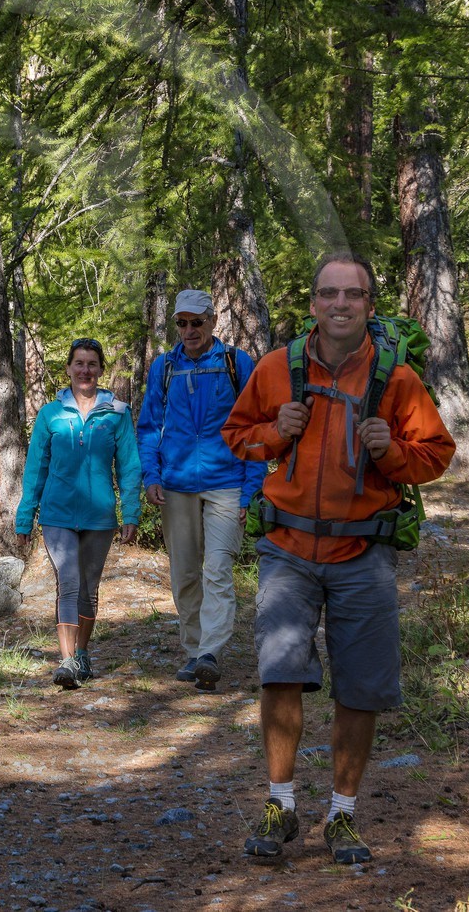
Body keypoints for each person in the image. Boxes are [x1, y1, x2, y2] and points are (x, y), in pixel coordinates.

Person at [222, 251, 454, 865]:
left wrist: (393, 451)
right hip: (287, 549)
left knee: (362, 688)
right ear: (313, 304)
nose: (341, 305)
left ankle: (343, 816)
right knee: (279, 673)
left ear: (369, 306)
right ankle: (280, 804)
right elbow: (236, 436)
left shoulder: (396, 379)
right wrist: (277, 432)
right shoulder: (277, 369)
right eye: (329, 294)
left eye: (353, 295)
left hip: (363, 552)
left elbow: (437, 454)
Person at [136, 289, 267, 692]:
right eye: (182, 323)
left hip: (226, 482)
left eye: (197, 322)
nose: (189, 330)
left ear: (212, 321)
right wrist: (151, 475)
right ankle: (193, 652)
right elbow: (148, 426)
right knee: (185, 574)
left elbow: (256, 428)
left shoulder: (235, 363)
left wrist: (250, 490)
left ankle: (211, 651)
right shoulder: (164, 367)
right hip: (176, 485)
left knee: (218, 569)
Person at [14, 337, 142, 690]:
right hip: (57, 514)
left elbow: (129, 466)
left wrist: (130, 511)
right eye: (79, 364)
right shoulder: (50, 414)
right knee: (68, 582)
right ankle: (67, 660)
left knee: (89, 589)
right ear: (68, 369)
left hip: (100, 515)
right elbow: (35, 468)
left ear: (100, 370)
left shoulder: (117, 413)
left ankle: (82, 651)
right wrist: (26, 517)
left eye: (92, 364)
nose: (85, 370)